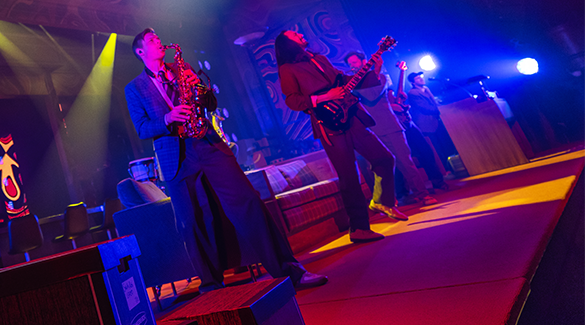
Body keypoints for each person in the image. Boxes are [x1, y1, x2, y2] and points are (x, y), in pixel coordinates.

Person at [125, 28, 327, 292]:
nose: (159, 42)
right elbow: (142, 128)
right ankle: (212, 287)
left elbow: (210, 104)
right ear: (141, 51)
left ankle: (289, 271)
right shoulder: (134, 88)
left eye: (158, 38)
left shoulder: (181, 69)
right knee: (191, 222)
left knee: (249, 202)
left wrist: (200, 87)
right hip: (176, 157)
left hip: (208, 144)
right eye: (152, 40)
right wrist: (168, 118)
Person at [275, 30, 395, 244]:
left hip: (352, 115)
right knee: (349, 175)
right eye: (294, 34)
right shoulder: (288, 68)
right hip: (327, 123)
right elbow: (292, 100)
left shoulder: (320, 59)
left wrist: (374, 70)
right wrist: (324, 97)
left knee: (384, 158)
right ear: (287, 43)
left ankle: (380, 200)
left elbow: (346, 80)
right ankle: (359, 228)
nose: (300, 33)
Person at [344, 52, 435, 210]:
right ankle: (388, 202)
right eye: (350, 64)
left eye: (354, 62)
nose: (352, 66)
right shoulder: (353, 84)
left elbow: (372, 96)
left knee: (405, 163)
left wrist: (355, 86)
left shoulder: (380, 77)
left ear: (364, 62)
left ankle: (423, 194)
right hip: (371, 131)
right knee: (378, 169)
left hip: (390, 128)